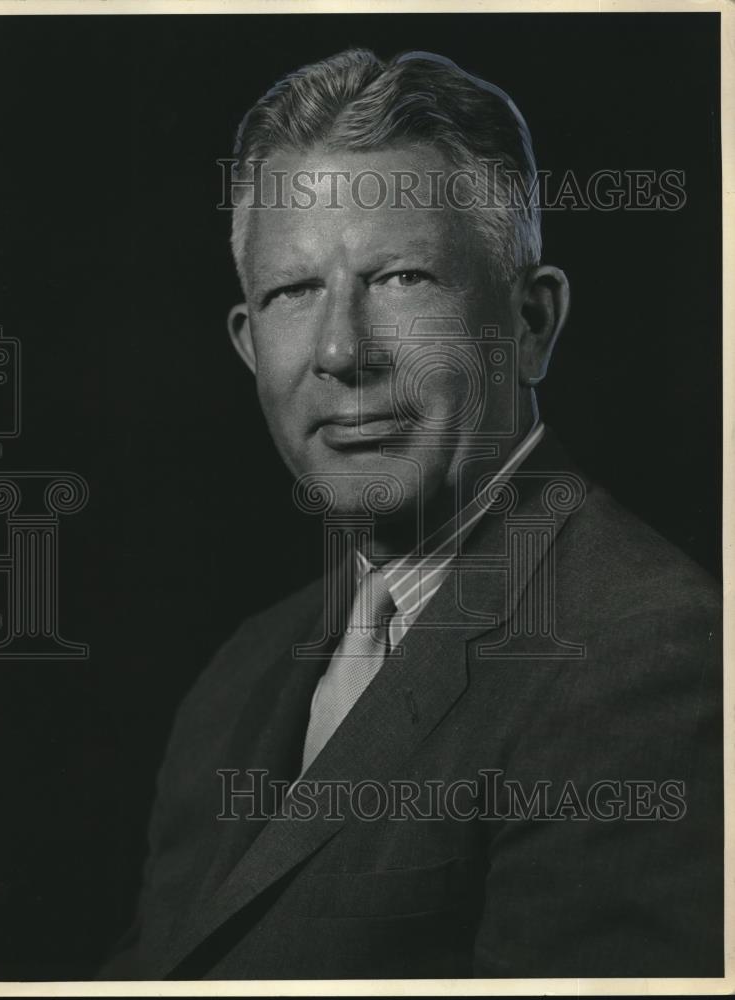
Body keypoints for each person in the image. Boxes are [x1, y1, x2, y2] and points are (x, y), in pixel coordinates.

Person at [99, 49, 722, 980]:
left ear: (532, 321)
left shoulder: (646, 659)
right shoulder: (241, 676)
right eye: (293, 292)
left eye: (401, 279)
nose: (344, 350)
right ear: (247, 344)